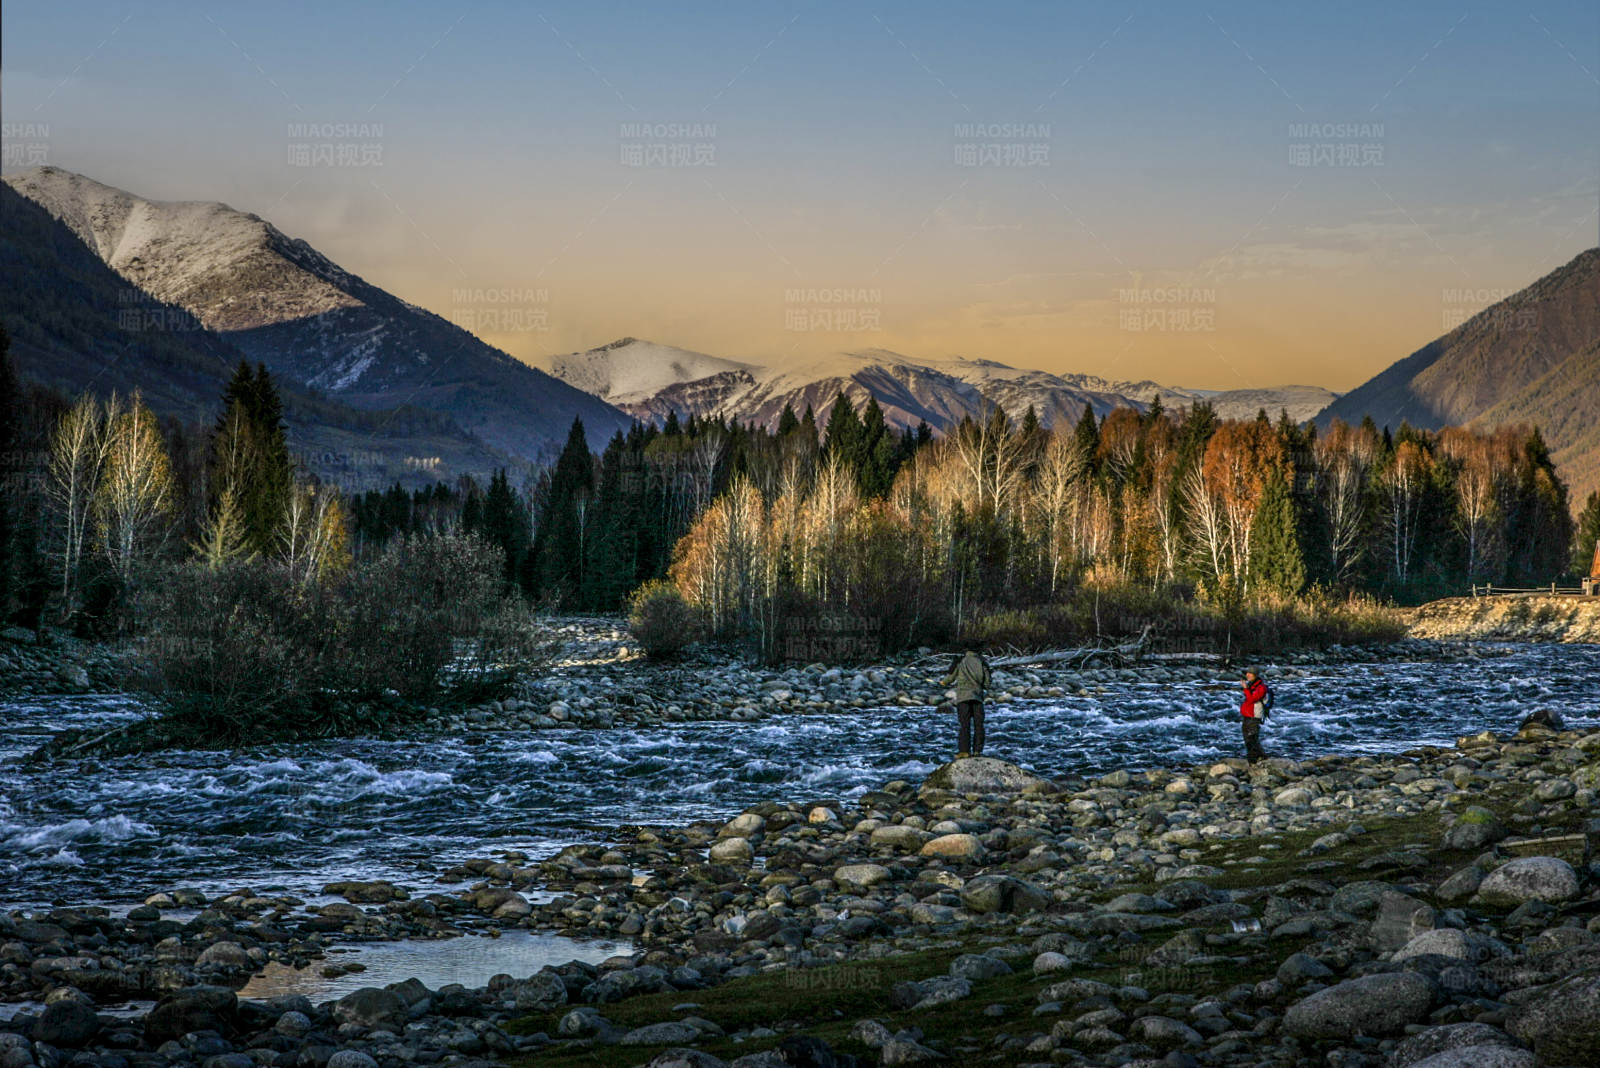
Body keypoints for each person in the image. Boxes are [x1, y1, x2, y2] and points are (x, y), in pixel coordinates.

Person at [941, 649, 992, 758]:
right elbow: (987, 683)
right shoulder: (982, 662)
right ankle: (977, 751)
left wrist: (943, 682)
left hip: (963, 699)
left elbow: (950, 678)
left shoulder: (960, 660)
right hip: (977, 698)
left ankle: (964, 751)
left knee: (965, 725)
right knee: (979, 726)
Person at [1239, 668, 1270, 763]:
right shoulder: (1252, 685)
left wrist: (1245, 688)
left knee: (1252, 738)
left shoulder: (1261, 687)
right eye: (1247, 673)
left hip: (1254, 716)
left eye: (1250, 673)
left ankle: (1257, 759)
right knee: (1248, 738)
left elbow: (1252, 699)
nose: (1247, 675)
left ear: (1255, 675)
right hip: (1248, 715)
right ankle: (1256, 758)